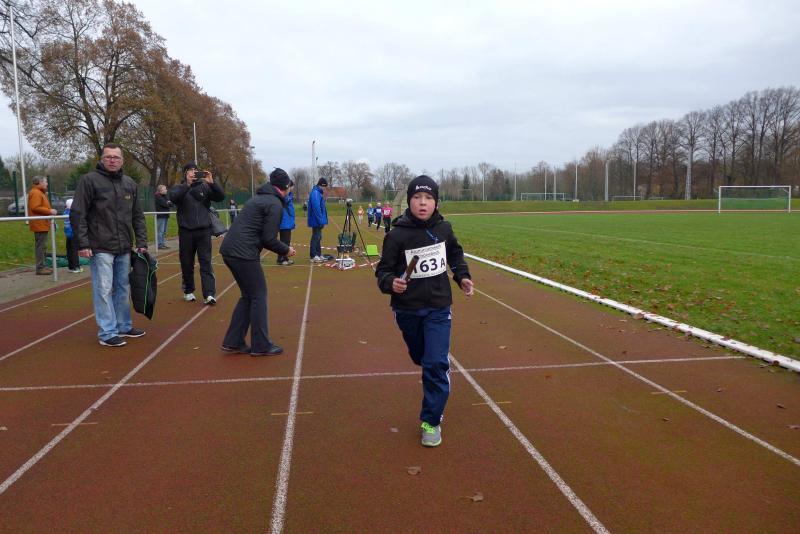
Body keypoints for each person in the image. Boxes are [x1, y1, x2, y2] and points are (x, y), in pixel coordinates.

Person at [375, 175, 474, 447]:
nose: (423, 203)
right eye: (417, 198)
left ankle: (431, 421)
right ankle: (425, 359)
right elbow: (383, 271)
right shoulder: (397, 235)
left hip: (439, 308)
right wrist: (391, 283)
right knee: (420, 356)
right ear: (409, 201)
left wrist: (462, 277)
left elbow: (455, 255)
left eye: (428, 198)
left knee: (435, 363)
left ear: (436, 202)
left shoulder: (444, 229)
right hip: (407, 310)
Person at [70, 143, 148, 347]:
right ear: (102, 159)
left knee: (123, 288)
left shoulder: (129, 183)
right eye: (108, 157)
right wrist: (83, 243)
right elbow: (78, 213)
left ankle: (123, 325)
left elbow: (137, 215)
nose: (112, 160)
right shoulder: (89, 181)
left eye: (116, 157)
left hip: (124, 246)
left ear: (122, 160)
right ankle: (107, 332)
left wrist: (141, 241)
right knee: (104, 289)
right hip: (100, 246)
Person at [220, 168, 296, 356]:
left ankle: (233, 341)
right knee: (259, 295)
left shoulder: (258, 199)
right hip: (243, 253)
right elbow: (268, 239)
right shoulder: (274, 204)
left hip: (230, 250)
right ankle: (261, 345)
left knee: (248, 295)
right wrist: (286, 249)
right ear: (285, 186)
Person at [169, 162, 225, 304]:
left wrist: (212, 183)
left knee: (206, 262)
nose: (193, 172)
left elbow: (220, 197)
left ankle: (209, 294)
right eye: (190, 170)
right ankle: (188, 291)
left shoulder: (204, 186)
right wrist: (187, 185)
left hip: (204, 231)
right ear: (185, 173)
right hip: (186, 232)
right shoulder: (178, 188)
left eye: (195, 170)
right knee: (187, 263)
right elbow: (174, 198)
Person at [27, 176, 57, 275]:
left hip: (42, 223)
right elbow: (35, 207)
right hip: (39, 223)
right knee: (41, 246)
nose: (47, 183)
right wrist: (49, 211)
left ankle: (42, 266)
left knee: (43, 246)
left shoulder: (39, 192)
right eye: (45, 181)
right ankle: (40, 267)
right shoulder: (36, 193)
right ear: (40, 182)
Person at [307, 177, 328, 262]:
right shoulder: (315, 193)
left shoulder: (318, 193)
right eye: (325, 186)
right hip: (316, 220)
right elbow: (316, 207)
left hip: (318, 220)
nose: (325, 189)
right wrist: (320, 220)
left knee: (318, 237)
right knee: (315, 237)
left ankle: (318, 254)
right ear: (322, 185)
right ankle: (313, 255)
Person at [277, 179, 296, 266]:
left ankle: (285, 257)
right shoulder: (284, 196)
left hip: (288, 222)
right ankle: (280, 259)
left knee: (287, 242)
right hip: (284, 222)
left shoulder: (289, 196)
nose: (292, 188)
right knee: (283, 242)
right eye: (291, 187)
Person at [63, 198, 82, 273]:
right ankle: (76, 267)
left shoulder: (65, 212)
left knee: (69, 250)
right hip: (73, 234)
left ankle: (70, 267)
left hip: (68, 235)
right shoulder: (73, 213)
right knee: (74, 251)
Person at [154, 184, 172, 249]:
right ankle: (159, 244)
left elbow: (171, 204)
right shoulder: (158, 196)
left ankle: (163, 244)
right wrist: (168, 203)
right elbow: (165, 204)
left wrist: (168, 203)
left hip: (166, 215)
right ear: (160, 190)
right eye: (165, 189)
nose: (166, 190)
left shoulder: (165, 196)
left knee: (164, 231)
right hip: (161, 216)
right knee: (160, 231)